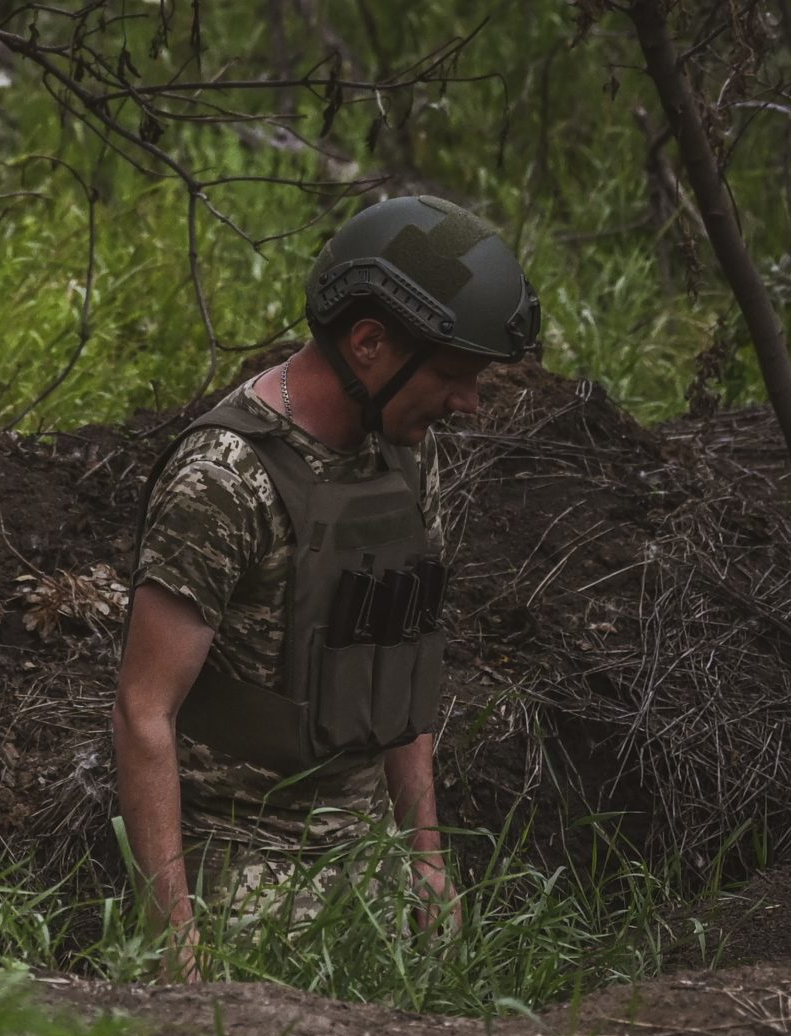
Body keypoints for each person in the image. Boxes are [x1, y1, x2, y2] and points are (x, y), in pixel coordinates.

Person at [112, 195, 540, 981]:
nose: (469, 404)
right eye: (453, 375)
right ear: (370, 342)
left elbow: (400, 667)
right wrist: (173, 939)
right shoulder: (223, 479)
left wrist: (430, 869)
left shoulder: (410, 456)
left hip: (368, 850)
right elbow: (145, 711)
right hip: (244, 858)